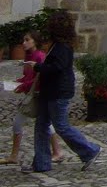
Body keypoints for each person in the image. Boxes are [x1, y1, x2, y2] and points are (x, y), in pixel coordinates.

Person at [23, 11, 101, 173]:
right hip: (48, 92)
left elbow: (57, 68)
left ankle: (90, 150)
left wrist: (37, 67)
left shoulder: (63, 47)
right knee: (41, 126)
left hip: (58, 93)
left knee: (61, 126)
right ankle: (42, 163)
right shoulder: (56, 45)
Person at [2, 32, 62, 166]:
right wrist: (16, 83)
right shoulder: (28, 56)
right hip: (32, 94)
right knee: (44, 122)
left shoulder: (39, 57)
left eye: (27, 40)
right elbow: (27, 76)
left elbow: (38, 79)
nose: (24, 43)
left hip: (38, 95)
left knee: (21, 121)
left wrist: (23, 86)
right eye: (23, 40)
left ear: (35, 41)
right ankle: (57, 151)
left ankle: (14, 155)